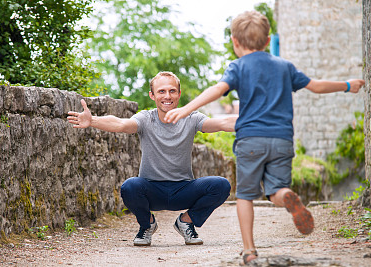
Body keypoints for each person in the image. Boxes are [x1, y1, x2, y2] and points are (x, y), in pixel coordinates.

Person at [164, 11, 365, 264]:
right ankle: (286, 198)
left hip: (250, 141)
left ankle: (249, 249)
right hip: (282, 140)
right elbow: (315, 85)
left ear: (235, 41)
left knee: (246, 196)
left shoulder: (237, 67)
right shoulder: (285, 66)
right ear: (268, 40)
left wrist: (186, 109)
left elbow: (218, 90)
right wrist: (347, 84)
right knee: (276, 190)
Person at [67, 71, 236, 247]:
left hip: (183, 189)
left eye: (172, 91)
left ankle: (186, 222)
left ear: (179, 93)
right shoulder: (146, 118)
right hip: (152, 190)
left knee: (221, 185)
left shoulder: (191, 118)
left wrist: (253, 121)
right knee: (130, 187)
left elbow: (222, 124)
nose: (167, 96)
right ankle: (147, 225)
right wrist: (93, 120)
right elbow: (121, 124)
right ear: (152, 95)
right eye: (161, 91)